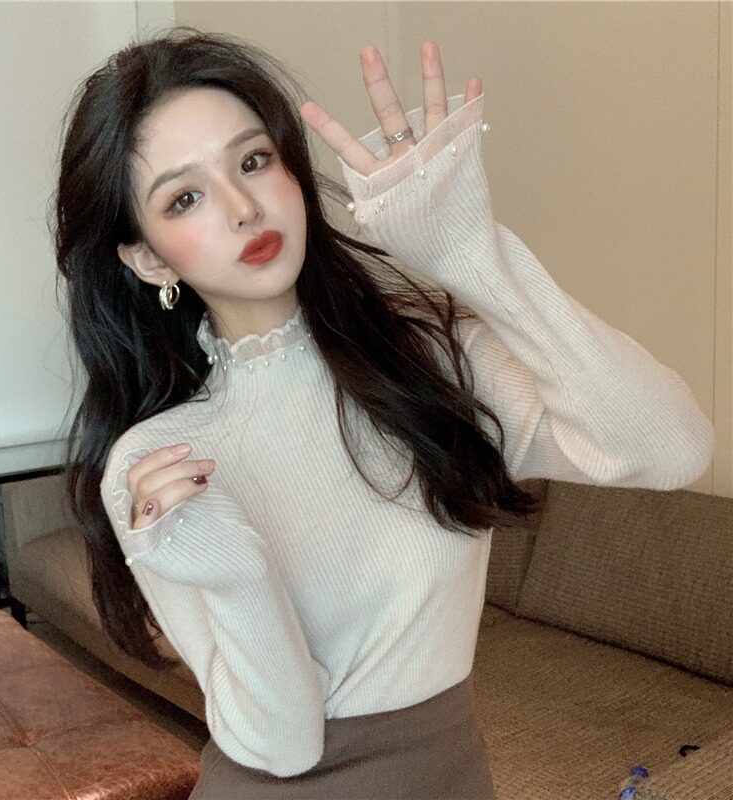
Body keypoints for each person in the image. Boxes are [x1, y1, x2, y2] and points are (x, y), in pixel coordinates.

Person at [50, 25, 714, 800]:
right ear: (148, 256)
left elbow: (671, 447)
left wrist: (467, 250)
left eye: (254, 161)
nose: (242, 207)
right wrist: (235, 575)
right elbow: (282, 743)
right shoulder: (157, 464)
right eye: (186, 197)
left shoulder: (433, 363)